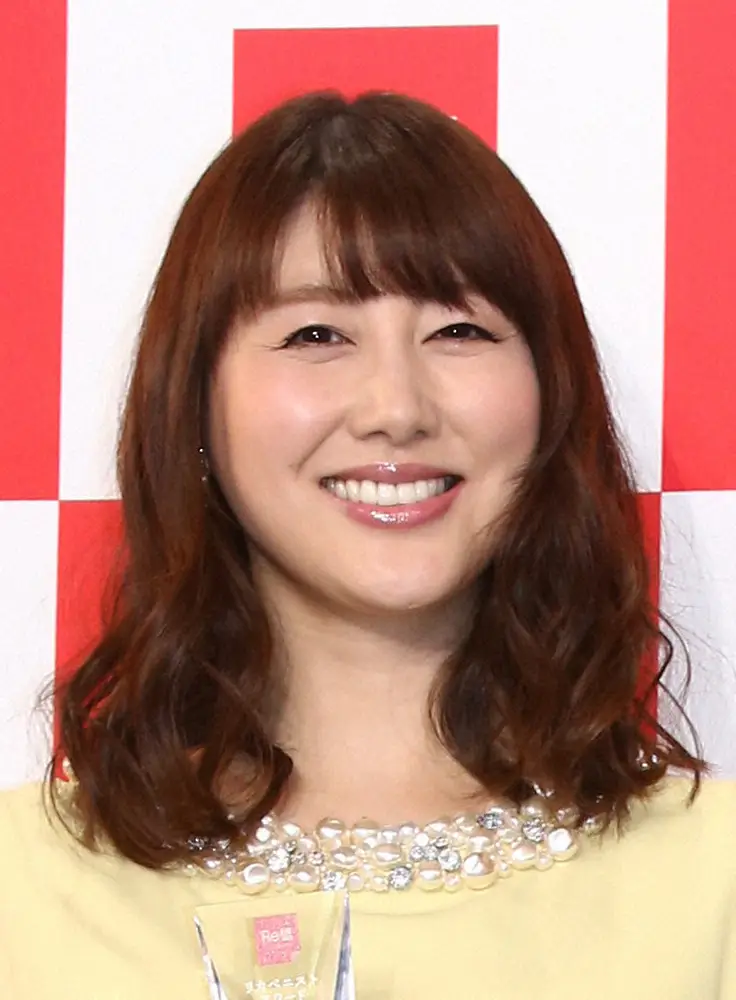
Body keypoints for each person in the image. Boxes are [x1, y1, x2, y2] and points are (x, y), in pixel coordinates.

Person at [0, 89, 734, 1000]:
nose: (396, 408)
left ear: (553, 395)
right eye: (317, 334)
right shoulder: (23, 893)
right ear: (192, 404)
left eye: (458, 330)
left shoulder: (713, 881)